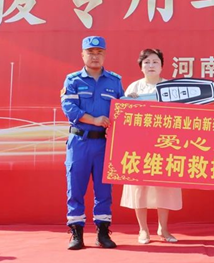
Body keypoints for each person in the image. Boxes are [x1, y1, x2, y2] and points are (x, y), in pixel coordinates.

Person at [60, 36, 124, 250]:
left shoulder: (114, 81)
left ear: (104, 55)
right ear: (82, 55)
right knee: (75, 188)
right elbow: (69, 109)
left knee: (104, 189)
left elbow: (123, 110)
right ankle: (76, 233)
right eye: (90, 52)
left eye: (99, 53)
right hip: (79, 141)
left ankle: (103, 232)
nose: (95, 57)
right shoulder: (73, 80)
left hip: (104, 143)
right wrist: (94, 120)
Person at [120, 48, 182, 244]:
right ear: (141, 66)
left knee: (164, 187)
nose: (151, 65)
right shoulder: (134, 88)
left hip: (165, 143)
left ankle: (163, 228)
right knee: (139, 187)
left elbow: (180, 115)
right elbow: (124, 117)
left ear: (162, 66)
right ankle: (143, 230)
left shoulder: (170, 88)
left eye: (155, 62)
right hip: (139, 145)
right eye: (147, 62)